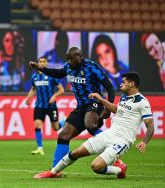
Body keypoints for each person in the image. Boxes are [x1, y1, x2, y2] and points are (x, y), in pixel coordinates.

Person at [34, 72, 154, 179]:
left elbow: (150, 125)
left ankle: (118, 169)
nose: (121, 84)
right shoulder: (124, 97)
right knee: (76, 153)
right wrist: (101, 100)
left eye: (123, 82)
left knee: (96, 166)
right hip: (109, 134)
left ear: (132, 84)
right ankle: (52, 173)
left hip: (123, 141)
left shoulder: (142, 102)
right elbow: (117, 110)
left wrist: (144, 142)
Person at [29, 47, 118, 177]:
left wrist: (108, 107)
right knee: (63, 135)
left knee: (89, 124)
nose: (70, 61)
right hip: (81, 106)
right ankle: (55, 171)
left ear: (80, 56)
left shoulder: (92, 67)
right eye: (68, 59)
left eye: (72, 58)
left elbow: (109, 87)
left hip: (95, 102)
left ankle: (114, 152)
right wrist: (40, 68)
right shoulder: (69, 67)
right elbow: (58, 73)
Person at [25, 57, 65, 155]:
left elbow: (62, 90)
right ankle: (40, 148)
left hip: (51, 106)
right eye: (40, 61)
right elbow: (33, 89)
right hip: (39, 105)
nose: (42, 63)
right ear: (38, 63)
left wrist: (54, 96)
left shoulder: (52, 76)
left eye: (44, 62)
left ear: (46, 64)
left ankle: (63, 121)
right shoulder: (34, 76)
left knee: (55, 128)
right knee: (37, 124)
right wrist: (28, 98)